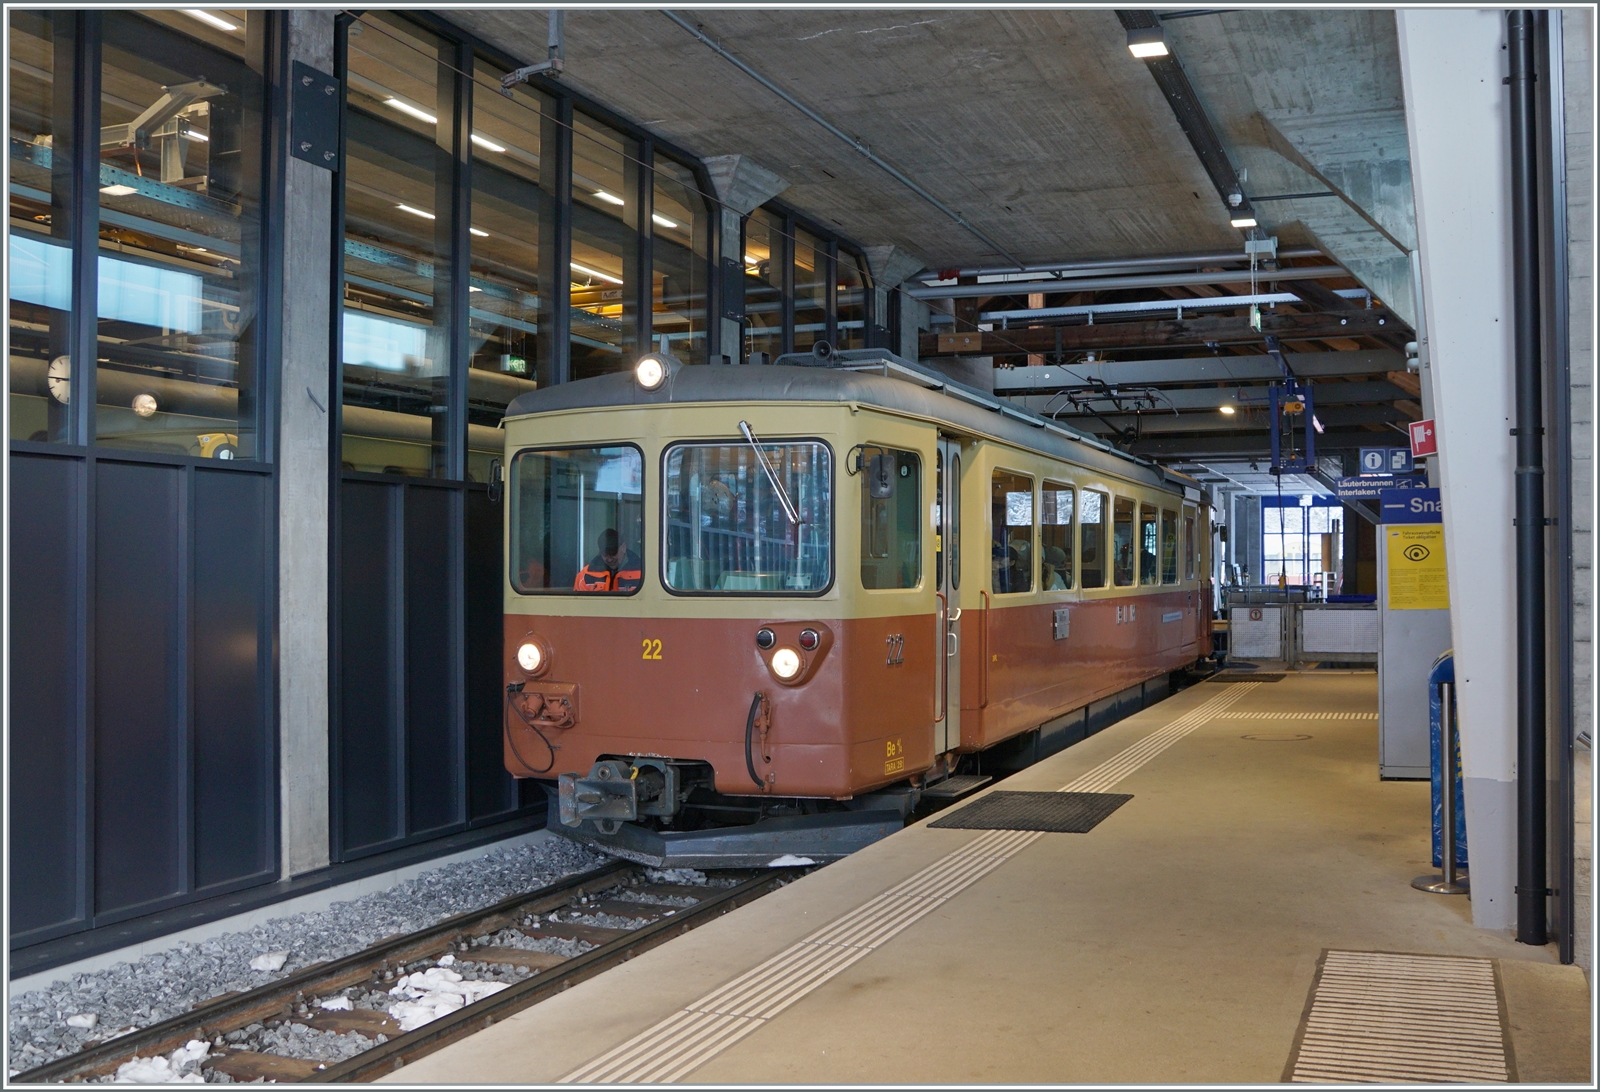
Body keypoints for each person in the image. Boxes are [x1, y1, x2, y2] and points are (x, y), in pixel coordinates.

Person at [574, 528, 642, 592]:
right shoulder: (586, 575)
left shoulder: (642, 573)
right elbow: (578, 603)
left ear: (623, 547)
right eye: (605, 555)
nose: (609, 559)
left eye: (613, 553)